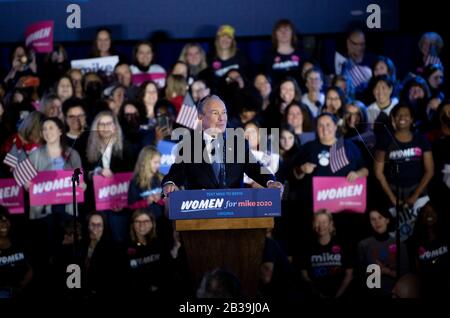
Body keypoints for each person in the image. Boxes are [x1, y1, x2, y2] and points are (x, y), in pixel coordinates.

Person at [162, 95, 283, 194]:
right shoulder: (189, 147)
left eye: (224, 112)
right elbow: (174, 175)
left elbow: (255, 168)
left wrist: (270, 182)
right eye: (215, 113)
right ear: (201, 117)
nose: (222, 118)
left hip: (235, 212)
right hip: (202, 215)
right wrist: (169, 184)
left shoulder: (238, 143)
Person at [374, 104, 434, 209]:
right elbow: (378, 173)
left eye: (406, 115)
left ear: (411, 119)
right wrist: (392, 198)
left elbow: (430, 171)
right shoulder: (384, 140)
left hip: (418, 189)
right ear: (393, 119)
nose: (402, 117)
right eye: (398, 115)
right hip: (391, 190)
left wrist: (415, 196)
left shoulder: (421, 139)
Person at [298, 210, 354, 298]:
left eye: (324, 222)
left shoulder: (343, 245)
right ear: (313, 224)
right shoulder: (306, 248)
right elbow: (304, 275)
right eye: (318, 222)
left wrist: (337, 297)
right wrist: (318, 296)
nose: (321, 226)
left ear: (330, 224)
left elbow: (349, 274)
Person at [357, 209, 409, 297]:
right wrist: (372, 271)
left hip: (395, 294)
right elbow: (358, 275)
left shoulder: (400, 245)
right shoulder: (363, 245)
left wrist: (387, 271)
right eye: (373, 219)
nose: (377, 222)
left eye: (380, 218)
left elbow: (406, 275)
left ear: (387, 220)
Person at [0, 205, 33, 299]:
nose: (4, 224)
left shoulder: (18, 242)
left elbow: (30, 268)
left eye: (6, 220)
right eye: (0, 221)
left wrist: (21, 286)